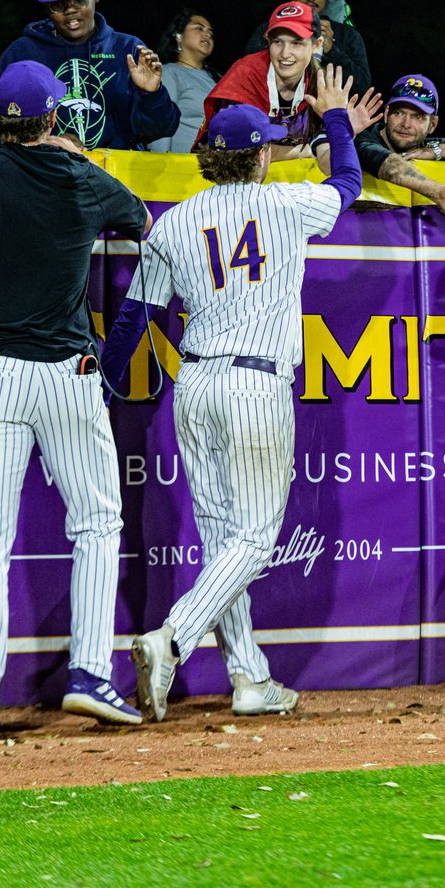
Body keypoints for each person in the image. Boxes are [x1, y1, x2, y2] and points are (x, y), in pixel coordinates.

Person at [109, 67, 363, 722]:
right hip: (253, 382)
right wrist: (336, 118)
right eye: (268, 147)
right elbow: (347, 184)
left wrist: (105, 384)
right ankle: (174, 637)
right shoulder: (282, 203)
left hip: (194, 384)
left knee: (225, 538)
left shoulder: (171, 223)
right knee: (253, 536)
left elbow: (136, 317)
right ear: (256, 157)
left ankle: (250, 678)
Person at [0, 60, 149, 740]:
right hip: (67, 372)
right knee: (98, 523)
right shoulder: (79, 177)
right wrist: (75, 156)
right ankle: (89, 674)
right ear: (51, 118)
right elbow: (139, 218)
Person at [0, 0, 180, 151]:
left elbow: (161, 130)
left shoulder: (128, 50)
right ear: (46, 7)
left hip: (114, 176)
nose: (70, 9)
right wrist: (42, 148)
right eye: (58, 4)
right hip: (43, 177)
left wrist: (152, 93)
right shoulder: (22, 53)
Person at [197, 1, 380, 158]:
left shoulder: (322, 86)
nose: (285, 54)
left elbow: (326, 157)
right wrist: (307, 152)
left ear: (316, 45)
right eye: (278, 42)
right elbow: (234, 151)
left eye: (296, 43)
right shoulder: (245, 74)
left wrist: (342, 137)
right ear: (267, 40)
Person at [333, 72, 445, 223]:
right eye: (399, 113)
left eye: (418, 117)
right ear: (387, 114)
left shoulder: (427, 146)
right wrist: (438, 192)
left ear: (432, 125)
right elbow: (387, 163)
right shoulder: (361, 136)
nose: (406, 124)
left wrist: (437, 150)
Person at [244, 0, 371, 95]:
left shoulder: (346, 35)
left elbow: (362, 87)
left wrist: (331, 50)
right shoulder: (268, 30)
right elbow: (247, 79)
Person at [147, 9, 217, 153]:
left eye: (210, 32)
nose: (207, 34)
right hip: (183, 169)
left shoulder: (217, 79)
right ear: (179, 36)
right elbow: (161, 124)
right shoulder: (168, 73)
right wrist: (161, 165)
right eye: (199, 28)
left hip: (217, 169)